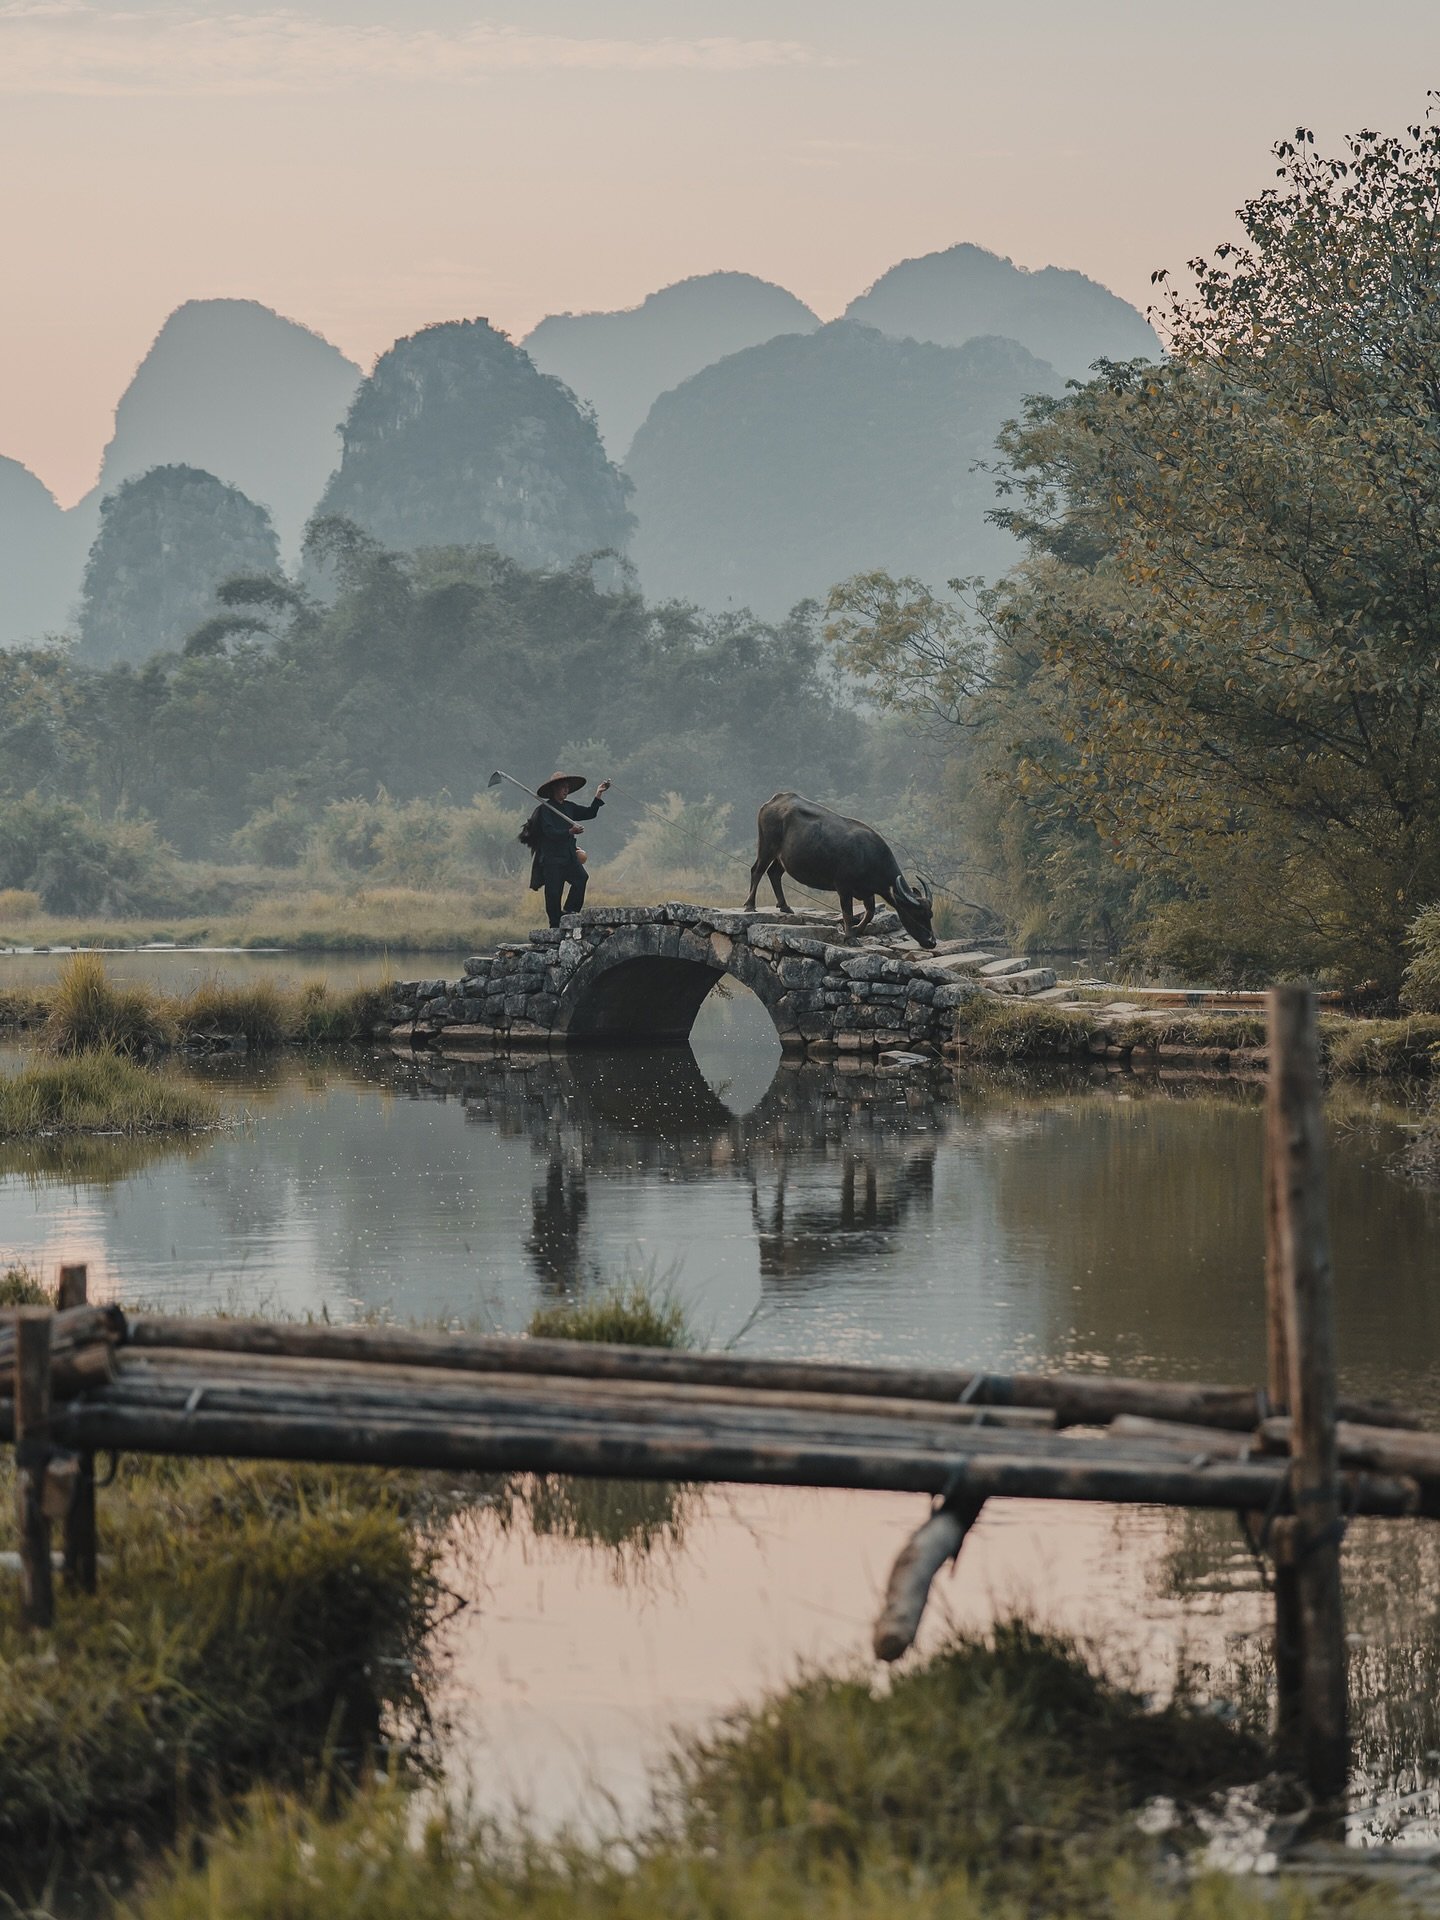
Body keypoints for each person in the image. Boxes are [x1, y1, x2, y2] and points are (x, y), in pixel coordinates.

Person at [524, 770, 610, 928]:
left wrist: (598, 794)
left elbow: (590, 813)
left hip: (568, 856)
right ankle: (555, 925)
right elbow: (550, 832)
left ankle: (571, 911)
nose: (566, 790)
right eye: (563, 787)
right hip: (552, 859)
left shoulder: (569, 807)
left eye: (567, 787)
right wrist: (570, 831)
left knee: (581, 878)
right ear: (554, 789)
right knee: (553, 893)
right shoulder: (545, 810)